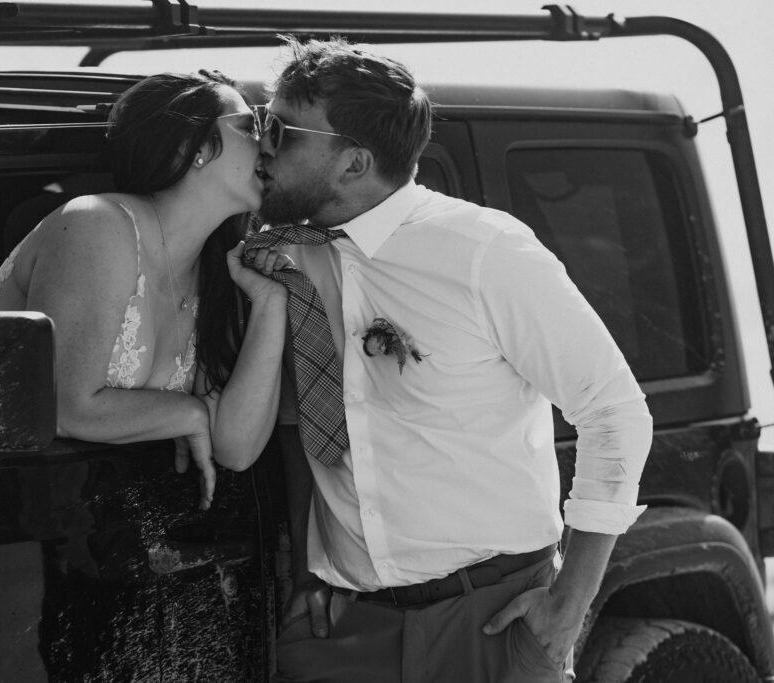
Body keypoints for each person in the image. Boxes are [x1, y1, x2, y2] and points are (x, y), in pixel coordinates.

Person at [246, 38, 653, 682]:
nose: (260, 145)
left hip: (490, 622)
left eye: (280, 129)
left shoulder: (485, 252)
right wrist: (305, 571)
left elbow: (615, 414)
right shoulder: (285, 258)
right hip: (340, 629)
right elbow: (305, 425)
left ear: (353, 162)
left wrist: (568, 607)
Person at [0, 70, 290, 509]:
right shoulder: (97, 224)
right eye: (248, 126)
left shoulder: (217, 268)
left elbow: (235, 448)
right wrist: (188, 413)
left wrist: (270, 304)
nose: (267, 144)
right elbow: (68, 407)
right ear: (193, 148)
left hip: (95, 514)